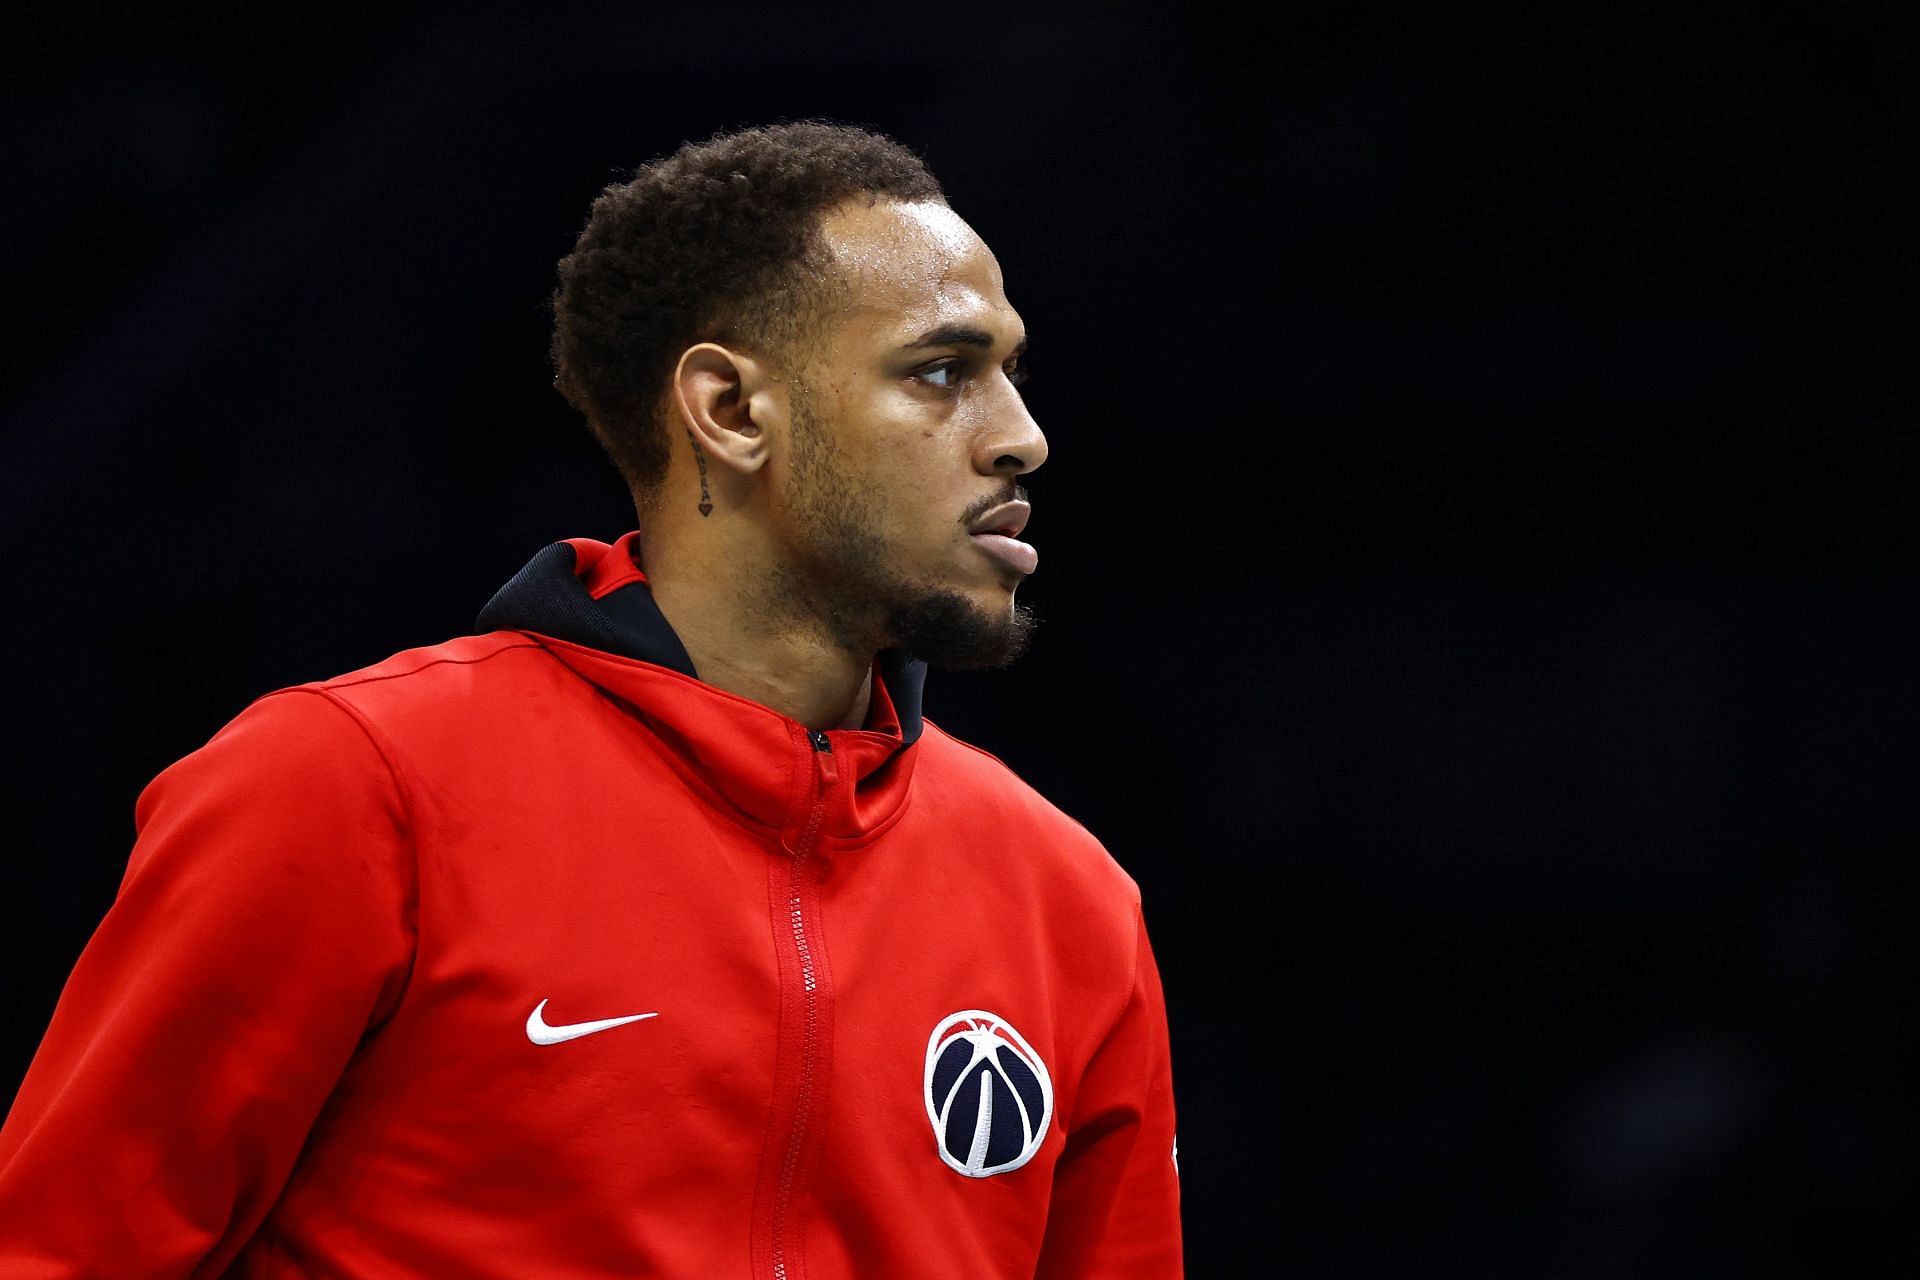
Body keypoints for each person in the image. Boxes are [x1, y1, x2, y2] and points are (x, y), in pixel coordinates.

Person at [0, 122, 1181, 1277]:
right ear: (728, 409)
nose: (1021, 437)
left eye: (1010, 376)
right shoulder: (354, 785)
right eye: (941, 373)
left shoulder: (1069, 903)